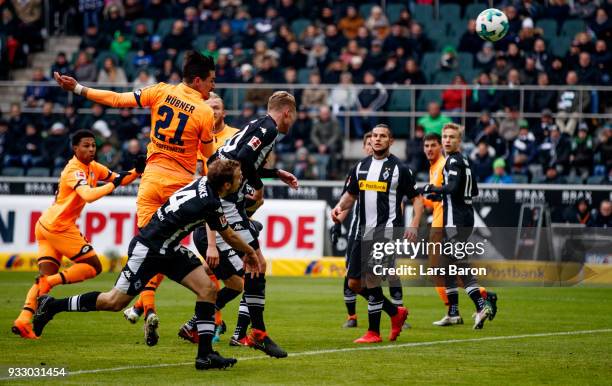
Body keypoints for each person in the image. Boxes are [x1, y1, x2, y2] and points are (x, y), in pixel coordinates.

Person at [53, 50, 216, 346]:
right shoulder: (204, 112)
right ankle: (146, 307)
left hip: (150, 183)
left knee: (154, 244)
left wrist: (77, 88)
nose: (212, 88)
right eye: (210, 82)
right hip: (178, 189)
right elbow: (210, 160)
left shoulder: (160, 91)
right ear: (197, 80)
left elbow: (117, 100)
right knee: (162, 249)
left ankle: (147, 307)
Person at [33, 159, 259, 370]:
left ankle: (205, 355)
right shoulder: (210, 202)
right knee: (113, 301)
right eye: (239, 177)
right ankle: (52, 305)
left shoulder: (204, 183)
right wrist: (250, 253)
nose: (241, 180)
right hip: (149, 249)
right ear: (227, 184)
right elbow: (228, 235)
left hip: (168, 249)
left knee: (207, 289)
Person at [123, 93, 239, 339]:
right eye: (208, 109)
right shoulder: (195, 140)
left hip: (226, 213)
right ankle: (208, 324)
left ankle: (145, 306)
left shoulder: (234, 137)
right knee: (165, 253)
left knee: (170, 257)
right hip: (203, 214)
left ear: (224, 112)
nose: (212, 112)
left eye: (216, 108)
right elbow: (204, 184)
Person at [12, 130, 143, 339]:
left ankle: (23, 319)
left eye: (93, 145)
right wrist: (114, 184)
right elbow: (89, 196)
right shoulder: (74, 170)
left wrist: (136, 171)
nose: (91, 149)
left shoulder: (93, 167)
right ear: (75, 148)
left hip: (46, 224)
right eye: (86, 146)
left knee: (43, 278)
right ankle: (50, 284)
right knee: (93, 267)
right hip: (59, 227)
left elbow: (119, 178)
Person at [206, 91, 299, 357]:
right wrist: (257, 187)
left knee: (252, 264)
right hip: (227, 203)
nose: (292, 122)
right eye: (293, 116)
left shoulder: (257, 124)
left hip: (222, 198)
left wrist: (274, 173)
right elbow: (245, 159)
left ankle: (247, 329)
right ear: (286, 113)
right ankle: (256, 332)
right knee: (256, 262)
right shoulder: (269, 129)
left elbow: (234, 158)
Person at [331, 124, 424, 343]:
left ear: (391, 141)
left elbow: (417, 198)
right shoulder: (360, 166)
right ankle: (395, 312)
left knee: (372, 279)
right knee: (354, 283)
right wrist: (339, 207)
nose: (378, 139)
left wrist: (414, 224)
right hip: (362, 232)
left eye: (383, 136)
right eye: (375, 135)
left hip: (387, 231)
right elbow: (350, 195)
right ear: (370, 140)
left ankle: (374, 332)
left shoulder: (401, 169)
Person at [420, 123, 497, 329]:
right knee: (447, 267)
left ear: (459, 141)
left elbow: (452, 187)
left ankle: (482, 306)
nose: (447, 140)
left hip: (455, 220)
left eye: (451, 137)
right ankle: (453, 312)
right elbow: (472, 191)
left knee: (460, 266)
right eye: (445, 136)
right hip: (465, 216)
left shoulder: (452, 160)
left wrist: (432, 188)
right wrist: (439, 194)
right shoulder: (464, 160)